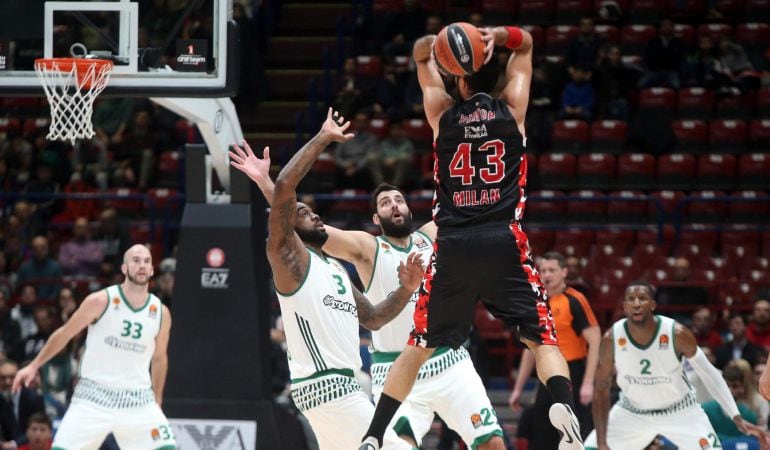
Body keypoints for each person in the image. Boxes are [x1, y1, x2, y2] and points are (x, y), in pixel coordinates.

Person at [359, 24, 584, 450]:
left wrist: (440, 42)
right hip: (504, 239)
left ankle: (374, 433)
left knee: (420, 344)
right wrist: (500, 34)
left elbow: (421, 53)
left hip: (454, 244)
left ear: (458, 78)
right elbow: (529, 45)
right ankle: (566, 413)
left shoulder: (441, 115)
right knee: (542, 339)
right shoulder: (513, 109)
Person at [230, 152, 504, 448]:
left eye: (398, 200)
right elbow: (295, 225)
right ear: (376, 218)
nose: (394, 205)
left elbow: (471, 210)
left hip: (449, 360)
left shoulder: (432, 235)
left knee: (492, 443)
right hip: (397, 370)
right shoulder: (367, 247)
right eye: (385, 203)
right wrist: (266, 183)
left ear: (409, 208)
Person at [257, 107, 425, 450]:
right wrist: (323, 138)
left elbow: (375, 318)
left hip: (343, 388)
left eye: (313, 210)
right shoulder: (289, 259)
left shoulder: (334, 269)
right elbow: (286, 189)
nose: (313, 214)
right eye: (302, 213)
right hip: (326, 386)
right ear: (289, 227)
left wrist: (406, 289)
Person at [12, 244, 177, 449]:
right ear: (125, 268)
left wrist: (157, 400)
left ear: (152, 269)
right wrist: (33, 365)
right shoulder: (101, 301)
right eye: (135, 260)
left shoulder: (161, 313)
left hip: (137, 400)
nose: (141, 265)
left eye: (146, 261)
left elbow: (160, 358)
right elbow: (65, 334)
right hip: (93, 398)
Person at [586, 281, 769, 450]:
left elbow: (709, 373)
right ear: (625, 307)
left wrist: (735, 415)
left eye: (642, 298)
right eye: (631, 299)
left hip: (680, 411)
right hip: (632, 411)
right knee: (590, 447)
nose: (636, 303)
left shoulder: (677, 333)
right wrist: (602, 442)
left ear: (653, 305)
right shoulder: (612, 338)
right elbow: (601, 389)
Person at [510, 252, 600, 448]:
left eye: (552, 270)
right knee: (542, 430)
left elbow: (595, 339)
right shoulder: (536, 304)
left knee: (575, 431)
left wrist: (588, 382)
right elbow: (530, 348)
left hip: (574, 372)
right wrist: (518, 388)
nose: (547, 275)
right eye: (543, 271)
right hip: (547, 374)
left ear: (564, 272)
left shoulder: (575, 300)